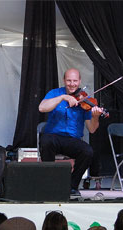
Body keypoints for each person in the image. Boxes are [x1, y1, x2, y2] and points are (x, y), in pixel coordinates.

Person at [39, 68, 103, 196]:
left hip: (72, 140)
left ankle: (71, 185)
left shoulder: (85, 99)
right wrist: (63, 97)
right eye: (69, 80)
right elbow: (42, 108)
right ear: (64, 80)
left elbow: (92, 129)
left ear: (79, 81)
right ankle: (50, 183)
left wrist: (95, 116)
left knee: (88, 151)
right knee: (45, 141)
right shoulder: (55, 93)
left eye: (75, 81)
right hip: (54, 137)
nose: (72, 84)